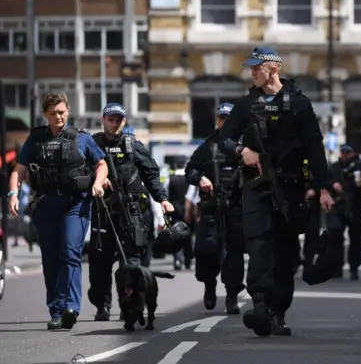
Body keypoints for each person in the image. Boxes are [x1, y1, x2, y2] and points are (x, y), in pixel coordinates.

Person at [216, 47, 334, 336]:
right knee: (259, 245)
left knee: (285, 253)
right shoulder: (246, 105)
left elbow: (315, 148)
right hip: (257, 187)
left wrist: (323, 188)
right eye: (251, 68)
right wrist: (242, 150)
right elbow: (224, 139)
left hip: (291, 189)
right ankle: (258, 302)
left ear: (274, 69)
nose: (253, 72)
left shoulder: (299, 104)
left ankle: (277, 312)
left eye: (258, 67)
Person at [7, 92, 108, 330]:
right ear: (45, 115)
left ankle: (71, 307)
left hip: (76, 203)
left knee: (70, 252)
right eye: (53, 113)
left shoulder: (82, 138)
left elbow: (101, 164)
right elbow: (18, 170)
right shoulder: (36, 138)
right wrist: (13, 194)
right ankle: (56, 309)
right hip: (46, 204)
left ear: (68, 111)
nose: (58, 117)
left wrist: (98, 182)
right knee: (50, 259)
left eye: (62, 112)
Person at [88, 103, 174, 321]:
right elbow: (80, 171)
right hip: (104, 212)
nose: (114, 123)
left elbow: (151, 175)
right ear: (103, 120)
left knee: (133, 263)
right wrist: (97, 178)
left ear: (124, 121)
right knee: (100, 263)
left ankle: (131, 306)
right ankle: (103, 305)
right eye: (110, 119)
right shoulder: (93, 144)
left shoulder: (133, 145)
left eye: (118, 120)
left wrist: (163, 200)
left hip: (132, 212)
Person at [186, 102, 246, 314]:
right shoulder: (207, 147)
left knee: (234, 254)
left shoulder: (245, 146)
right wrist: (200, 178)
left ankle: (231, 296)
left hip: (237, 206)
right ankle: (209, 282)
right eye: (222, 118)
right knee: (205, 251)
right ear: (217, 121)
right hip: (212, 207)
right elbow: (189, 171)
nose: (225, 122)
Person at [327, 144, 361, 280]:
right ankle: (337, 267)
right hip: (338, 206)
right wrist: (333, 184)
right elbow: (326, 181)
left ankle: (354, 268)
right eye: (342, 152)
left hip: (356, 205)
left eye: (347, 153)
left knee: (355, 239)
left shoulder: (360, 166)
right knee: (335, 235)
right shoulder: (334, 167)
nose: (344, 155)